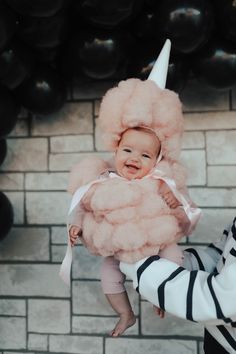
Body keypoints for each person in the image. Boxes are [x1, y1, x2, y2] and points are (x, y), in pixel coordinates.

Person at [60, 39, 201, 337]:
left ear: (158, 160)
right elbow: (85, 210)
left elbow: (187, 215)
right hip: (120, 249)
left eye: (145, 155)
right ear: (115, 149)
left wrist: (173, 202)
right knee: (109, 276)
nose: (134, 158)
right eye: (128, 151)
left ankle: (163, 296)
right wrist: (77, 228)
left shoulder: (163, 182)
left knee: (173, 261)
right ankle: (125, 314)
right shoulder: (103, 182)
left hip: (158, 244)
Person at [120, 218, 236, 353]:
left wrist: (138, 261)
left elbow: (220, 302)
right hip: (219, 341)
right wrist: (169, 263)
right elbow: (220, 259)